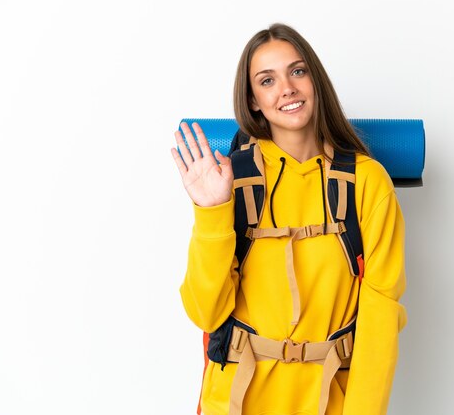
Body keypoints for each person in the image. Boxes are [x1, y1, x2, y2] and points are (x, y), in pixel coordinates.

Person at [171, 23, 407, 415]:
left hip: (328, 401)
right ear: (252, 101)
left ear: (315, 80)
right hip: (235, 402)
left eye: (297, 71)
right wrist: (211, 212)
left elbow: (379, 320)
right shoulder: (232, 178)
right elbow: (206, 313)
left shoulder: (367, 182)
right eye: (267, 80)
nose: (287, 88)